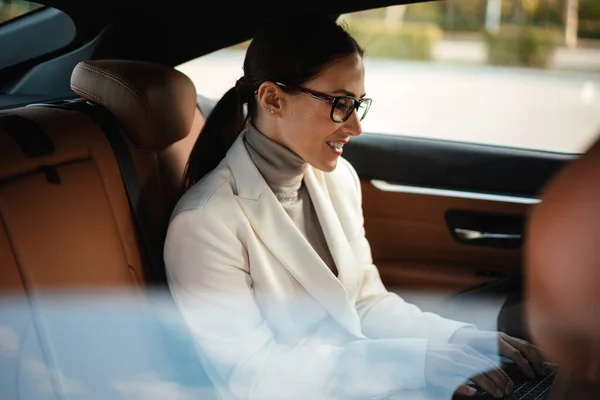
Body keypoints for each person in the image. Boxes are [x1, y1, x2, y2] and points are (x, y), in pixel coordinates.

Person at [164, 15, 546, 400]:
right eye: (340, 104)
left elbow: (365, 303)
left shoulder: (338, 179)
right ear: (272, 99)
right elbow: (253, 374)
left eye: (357, 105)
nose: (355, 127)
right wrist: (414, 363)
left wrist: (462, 338)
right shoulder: (204, 224)